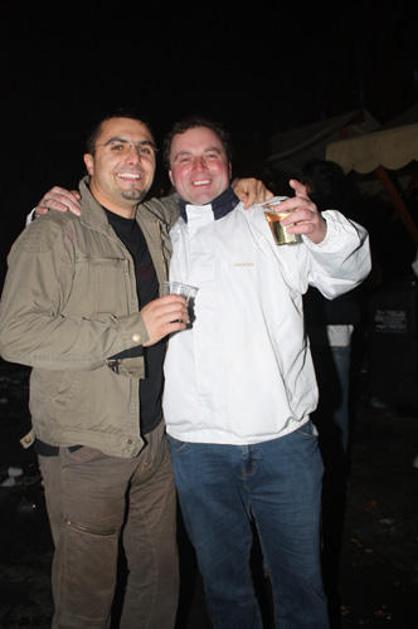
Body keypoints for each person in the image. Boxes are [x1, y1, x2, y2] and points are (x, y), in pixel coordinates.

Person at [0, 111, 270, 629]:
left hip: (154, 439)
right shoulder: (54, 234)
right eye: (117, 146)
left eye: (145, 148)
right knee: (86, 601)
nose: (134, 158)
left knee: (158, 580)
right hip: (85, 446)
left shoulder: (154, 219)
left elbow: (196, 191)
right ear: (89, 162)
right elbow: (16, 336)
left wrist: (242, 184)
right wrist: (132, 330)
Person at [160, 117, 371, 629]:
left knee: (301, 587)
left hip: (283, 444)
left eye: (210, 154)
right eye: (184, 158)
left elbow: (344, 273)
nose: (199, 167)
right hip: (199, 449)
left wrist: (320, 229)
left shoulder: (270, 215)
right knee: (225, 590)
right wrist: (44, 210)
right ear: (169, 173)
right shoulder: (159, 234)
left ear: (230, 165)